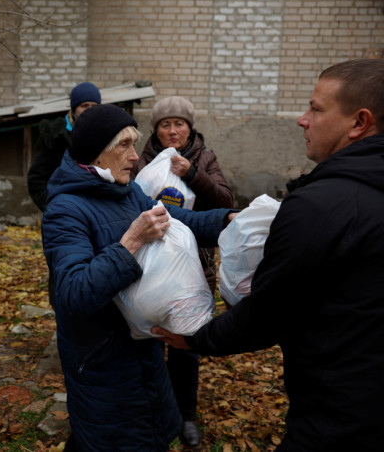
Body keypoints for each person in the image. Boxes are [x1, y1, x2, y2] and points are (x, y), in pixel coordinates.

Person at [153, 58, 384, 451]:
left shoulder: (320, 206)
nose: (302, 119)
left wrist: (198, 339)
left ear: (358, 123)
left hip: (342, 411)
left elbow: (269, 309)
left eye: (316, 108)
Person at [41, 104, 235, 451]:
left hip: (141, 349)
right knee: (112, 437)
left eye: (135, 144)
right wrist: (132, 241)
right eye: (123, 145)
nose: (134, 156)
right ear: (95, 154)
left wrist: (228, 222)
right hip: (101, 359)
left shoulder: (127, 190)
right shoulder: (65, 209)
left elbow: (173, 219)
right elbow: (73, 293)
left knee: (142, 431)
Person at [130, 95, 234, 448]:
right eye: (165, 124)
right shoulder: (139, 158)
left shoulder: (204, 158)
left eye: (179, 123)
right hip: (148, 262)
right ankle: (151, 409)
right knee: (145, 336)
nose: (173, 131)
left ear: (190, 128)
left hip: (193, 262)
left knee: (186, 341)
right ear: (155, 131)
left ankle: (186, 414)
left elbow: (225, 201)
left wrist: (193, 175)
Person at [27, 81, 102, 212]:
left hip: (96, 210)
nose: (89, 109)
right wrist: (53, 208)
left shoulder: (106, 134)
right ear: (74, 109)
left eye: (94, 105)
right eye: (84, 105)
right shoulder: (54, 136)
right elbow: (37, 179)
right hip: (64, 210)